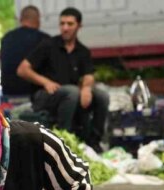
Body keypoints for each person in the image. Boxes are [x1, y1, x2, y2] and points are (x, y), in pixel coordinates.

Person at [17, 7, 109, 152]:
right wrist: (45, 82)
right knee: (72, 91)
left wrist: (86, 88)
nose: (65, 28)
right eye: (62, 23)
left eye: (70, 24)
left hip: (69, 96)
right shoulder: (48, 45)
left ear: (79, 26)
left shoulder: (82, 51)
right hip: (45, 95)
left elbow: (89, 75)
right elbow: (22, 69)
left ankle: (94, 142)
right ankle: (62, 142)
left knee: (101, 95)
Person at [0, 5, 49, 96]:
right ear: (38, 20)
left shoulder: (6, 38)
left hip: (9, 93)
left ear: (20, 19)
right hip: (35, 94)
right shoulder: (45, 40)